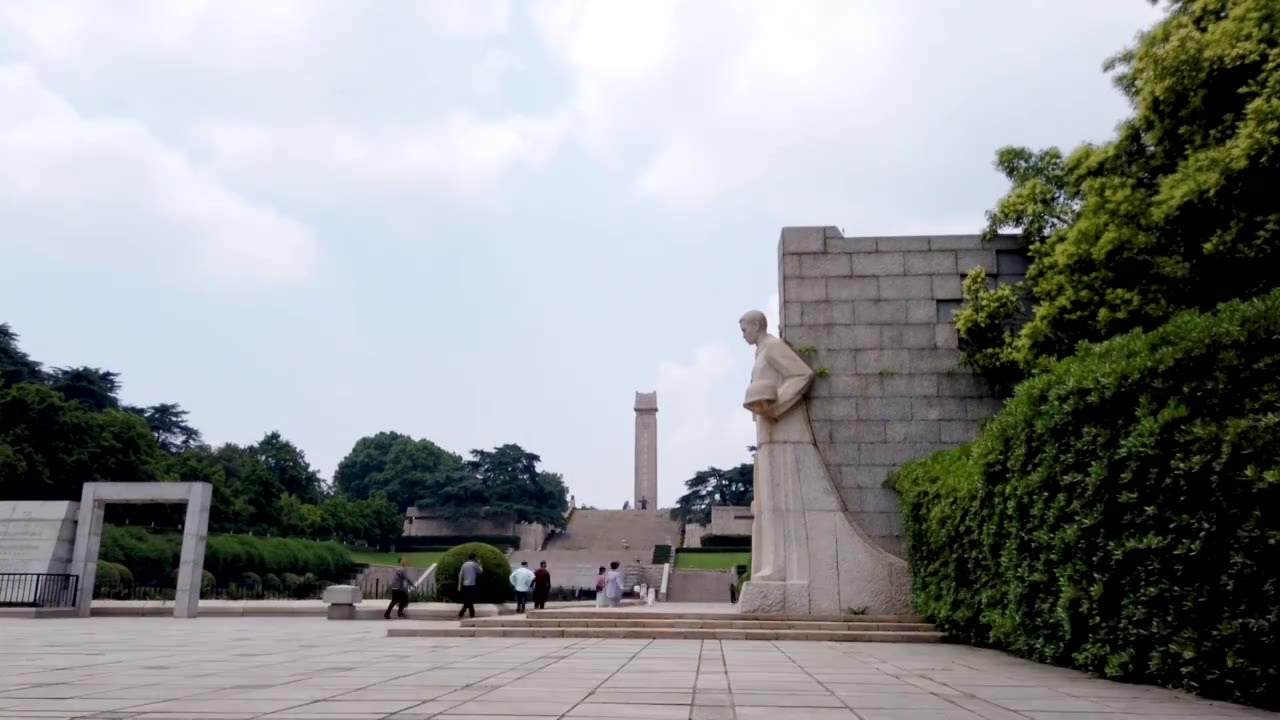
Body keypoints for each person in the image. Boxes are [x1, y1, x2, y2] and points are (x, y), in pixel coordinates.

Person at [456, 552, 482, 619]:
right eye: (476, 557)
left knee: (468, 600)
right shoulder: (474, 564)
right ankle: (463, 614)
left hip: (465, 585)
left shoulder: (464, 564)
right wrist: (480, 564)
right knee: (469, 601)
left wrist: (459, 585)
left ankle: (469, 614)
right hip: (472, 585)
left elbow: (460, 575)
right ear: (474, 558)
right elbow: (480, 571)